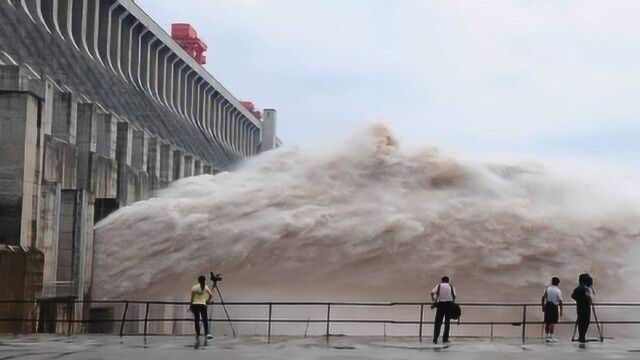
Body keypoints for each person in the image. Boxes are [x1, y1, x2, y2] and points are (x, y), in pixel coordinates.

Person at [430, 276, 456, 344]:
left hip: (441, 305)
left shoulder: (439, 285)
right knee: (447, 323)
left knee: (438, 322)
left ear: (442, 280)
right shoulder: (451, 286)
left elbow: (432, 293)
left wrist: (433, 299)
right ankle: (445, 339)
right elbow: (454, 296)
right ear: (448, 281)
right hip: (449, 305)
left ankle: (435, 338)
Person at [571, 273, 594, 344]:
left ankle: (581, 336)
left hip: (579, 306)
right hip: (586, 307)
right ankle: (582, 337)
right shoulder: (586, 288)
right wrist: (590, 301)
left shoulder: (577, 288)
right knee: (586, 321)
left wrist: (578, 300)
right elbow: (588, 297)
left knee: (580, 321)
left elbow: (573, 296)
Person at [190, 275, 214, 340]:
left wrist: (191, 305)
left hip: (195, 305)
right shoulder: (205, 287)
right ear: (204, 281)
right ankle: (207, 333)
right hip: (203, 305)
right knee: (205, 319)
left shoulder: (194, 287)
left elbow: (192, 298)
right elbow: (211, 295)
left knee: (196, 320)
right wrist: (208, 301)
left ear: (198, 280)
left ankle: (198, 333)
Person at [541, 277, 563, 342]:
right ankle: (551, 336)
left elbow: (543, 298)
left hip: (547, 305)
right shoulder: (558, 290)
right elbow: (560, 301)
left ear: (552, 281)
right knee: (553, 322)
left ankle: (547, 336)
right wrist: (561, 310)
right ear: (558, 283)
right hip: (554, 306)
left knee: (547, 322)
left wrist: (542, 306)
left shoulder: (547, 288)